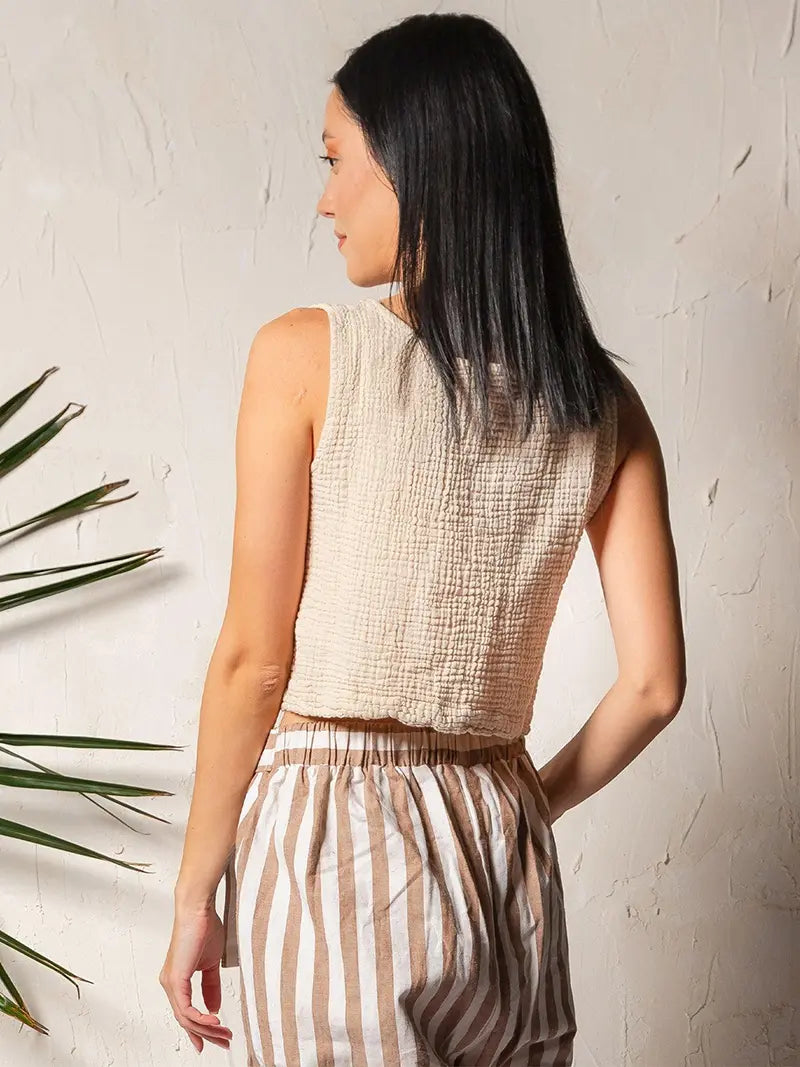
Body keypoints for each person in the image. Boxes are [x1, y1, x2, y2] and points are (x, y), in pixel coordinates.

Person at [159, 12, 685, 1067]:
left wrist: (194, 891)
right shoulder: (601, 403)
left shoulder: (309, 356)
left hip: (334, 845)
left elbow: (254, 660)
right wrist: (516, 796)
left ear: (414, 162)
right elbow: (653, 687)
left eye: (335, 160)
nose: (322, 197)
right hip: (503, 849)